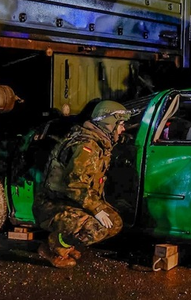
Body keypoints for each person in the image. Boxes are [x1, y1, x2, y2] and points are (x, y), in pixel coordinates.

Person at [32, 100, 131, 268]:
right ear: (109, 124)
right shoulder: (87, 146)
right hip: (51, 205)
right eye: (120, 124)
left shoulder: (98, 141)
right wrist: (96, 209)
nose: (123, 129)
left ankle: (66, 244)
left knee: (114, 223)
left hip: (72, 202)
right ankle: (53, 247)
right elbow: (75, 185)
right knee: (95, 229)